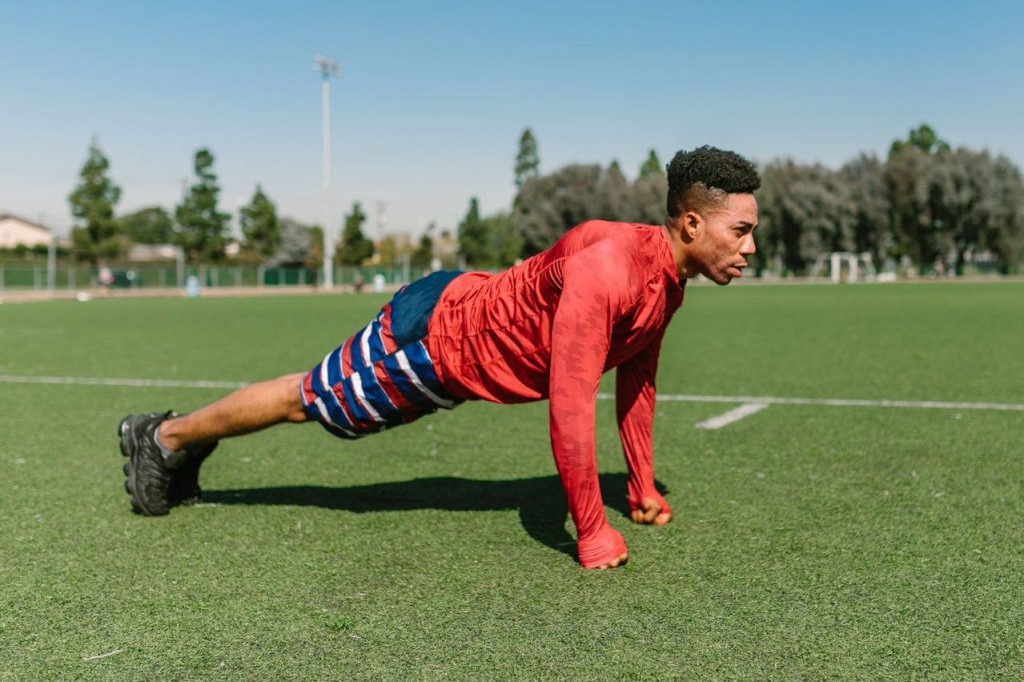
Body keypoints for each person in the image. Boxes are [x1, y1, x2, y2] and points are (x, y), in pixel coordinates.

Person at [119, 145, 760, 570]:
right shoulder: (608, 270)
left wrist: (641, 487)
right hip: (431, 340)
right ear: (691, 224)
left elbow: (637, 383)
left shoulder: (667, 282)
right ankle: (164, 436)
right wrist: (591, 530)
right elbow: (571, 404)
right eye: (741, 230)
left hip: (462, 334)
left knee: (315, 404)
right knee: (311, 402)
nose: (750, 246)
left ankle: (177, 439)